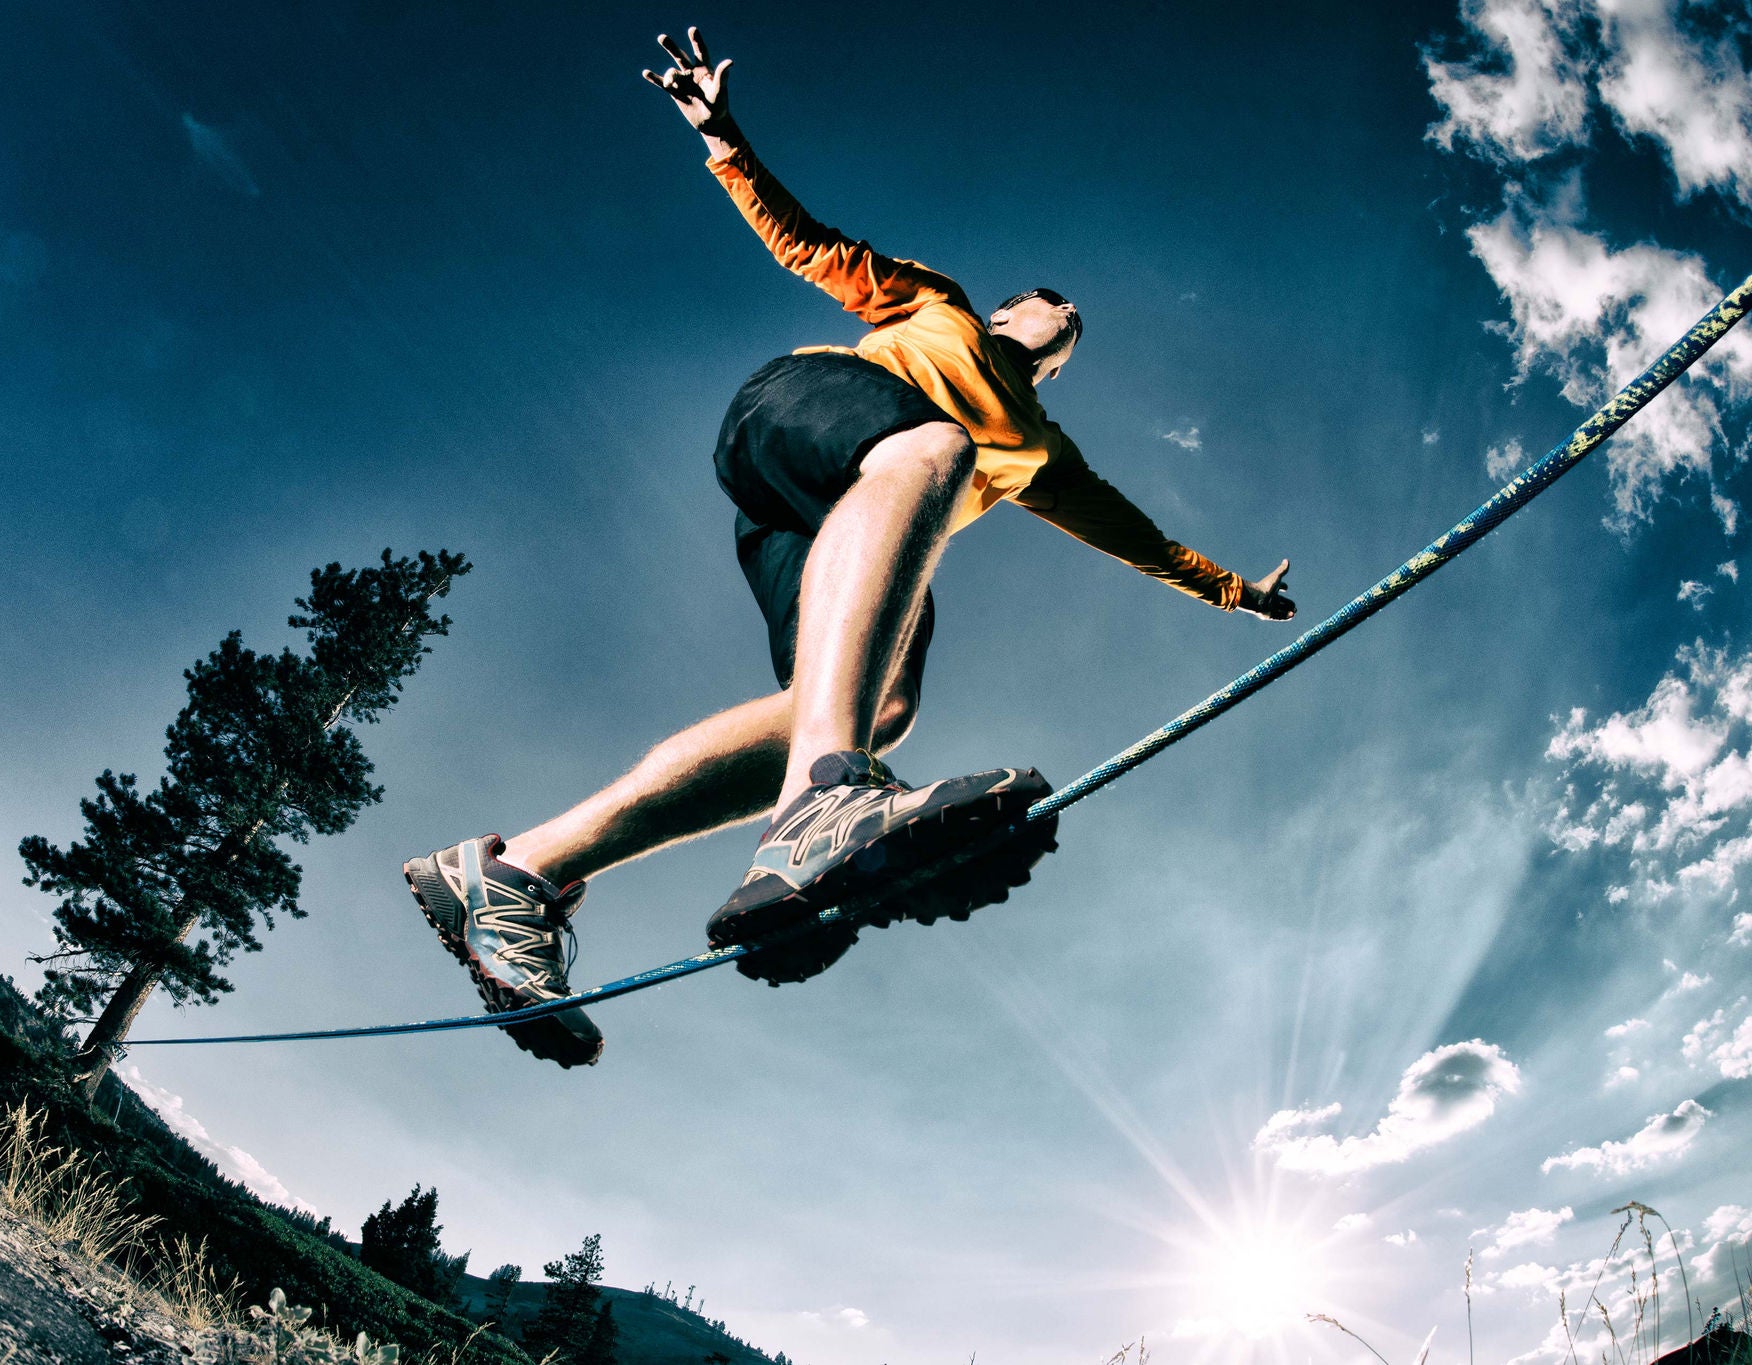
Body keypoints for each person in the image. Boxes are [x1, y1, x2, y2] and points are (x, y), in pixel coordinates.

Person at [403, 28, 1296, 1068]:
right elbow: (812, 246)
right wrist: (725, 143)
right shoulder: (939, 304)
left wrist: (1236, 594)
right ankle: (821, 804)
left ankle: (517, 875)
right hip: (797, 417)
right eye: (1053, 302)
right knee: (937, 447)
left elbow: (1141, 542)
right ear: (1012, 311)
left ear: (1058, 367)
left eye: (1072, 324)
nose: (1064, 315)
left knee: (878, 706)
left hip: (836, 531)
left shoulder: (1045, 453)